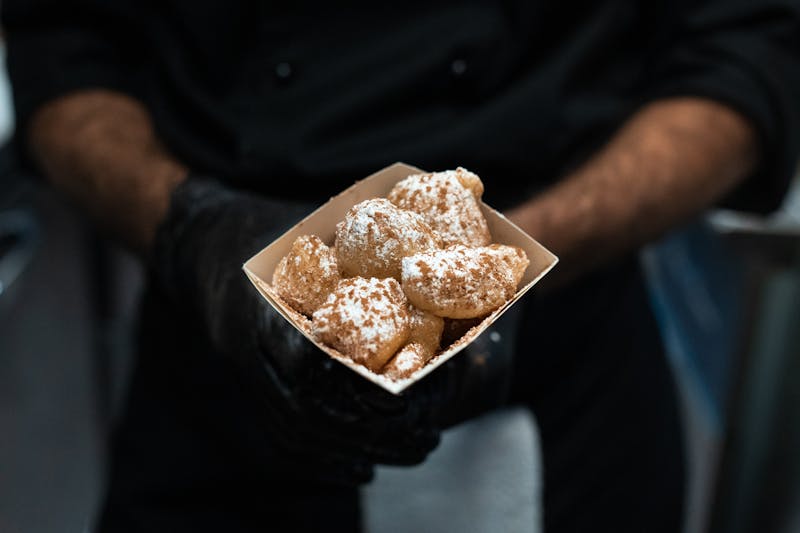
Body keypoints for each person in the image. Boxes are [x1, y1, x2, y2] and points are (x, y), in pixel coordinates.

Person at [3, 1, 799, 531]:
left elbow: (741, 57)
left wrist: (516, 259)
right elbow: (64, 52)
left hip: (548, 376)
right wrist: (195, 231)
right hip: (213, 370)